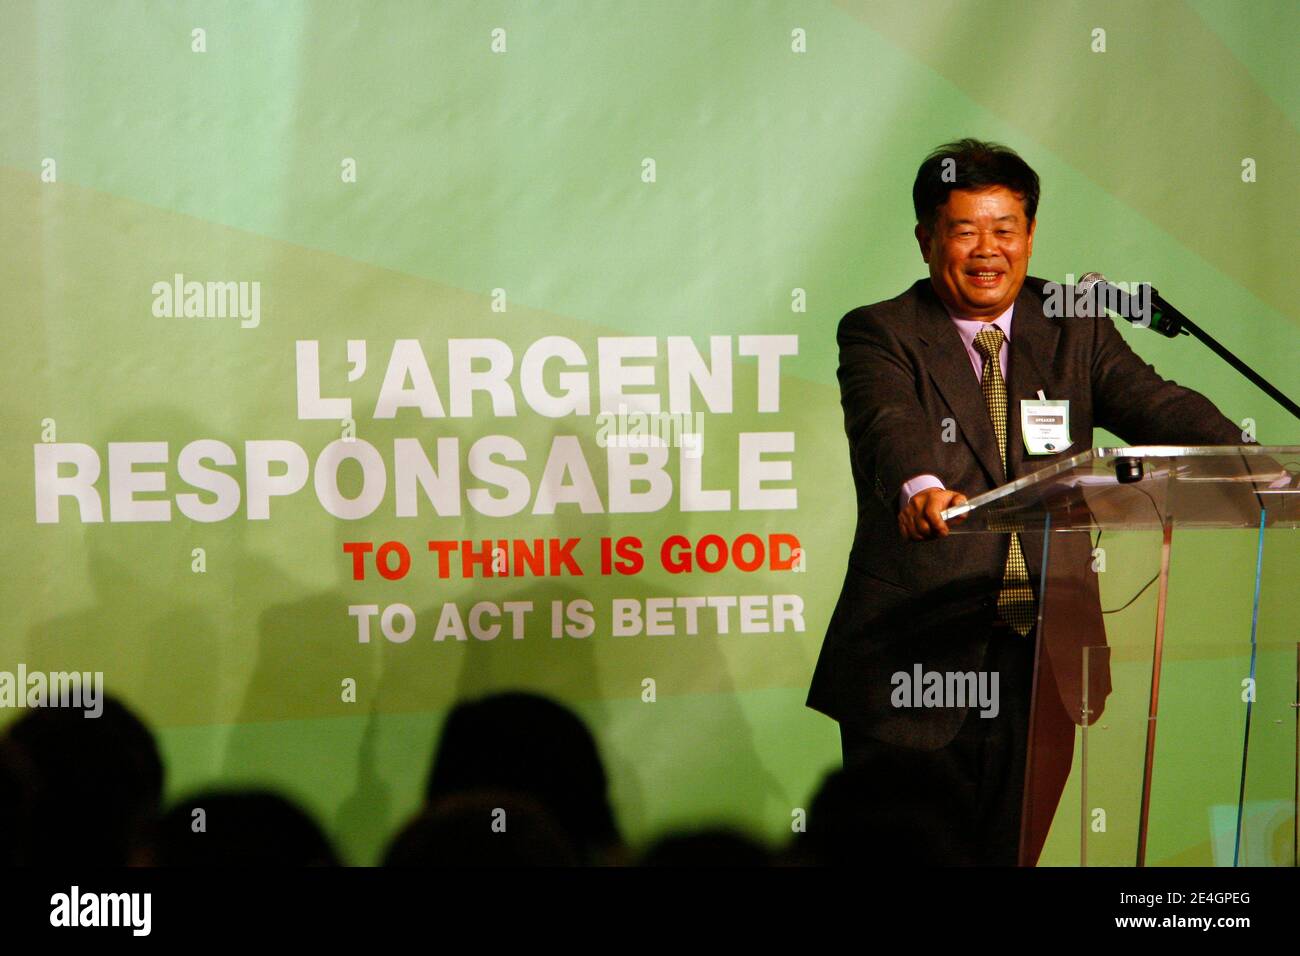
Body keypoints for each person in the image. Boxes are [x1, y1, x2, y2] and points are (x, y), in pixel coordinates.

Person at [806, 139, 1245, 865]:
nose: (989, 250)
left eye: (1006, 229)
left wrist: (1252, 462)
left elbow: (1158, 406)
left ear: (1031, 235)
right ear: (927, 239)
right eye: (966, 229)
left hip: (1041, 663)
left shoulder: (1072, 324)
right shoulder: (881, 331)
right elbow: (890, 429)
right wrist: (921, 491)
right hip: (918, 659)